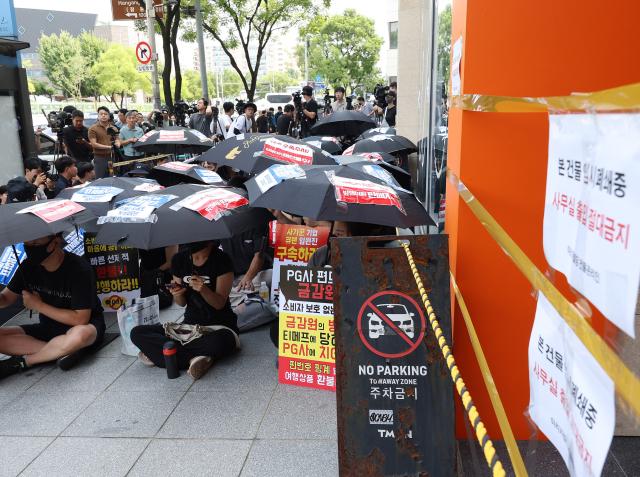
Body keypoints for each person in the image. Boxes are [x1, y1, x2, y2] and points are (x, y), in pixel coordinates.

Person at [0, 234, 106, 379]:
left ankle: (23, 362)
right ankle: (62, 351)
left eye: (35, 244)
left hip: (83, 326)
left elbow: (80, 319)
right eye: (27, 244)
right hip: (47, 327)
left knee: (81, 335)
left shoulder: (79, 269)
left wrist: (38, 305)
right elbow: (6, 299)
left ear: (55, 241)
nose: (30, 249)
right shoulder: (28, 266)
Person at [130, 241, 240, 380]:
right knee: (137, 333)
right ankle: (196, 358)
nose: (196, 252)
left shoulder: (222, 259)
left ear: (210, 242)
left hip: (218, 327)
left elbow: (219, 304)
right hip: (189, 327)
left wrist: (204, 290)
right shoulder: (179, 260)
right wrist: (177, 294)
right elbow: (181, 304)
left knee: (223, 342)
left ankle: (169, 355)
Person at [89, 106, 118, 179]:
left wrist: (118, 143)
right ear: (98, 116)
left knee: (112, 178)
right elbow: (94, 144)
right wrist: (109, 147)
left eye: (105, 114)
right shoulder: (93, 128)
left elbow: (117, 139)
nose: (103, 115)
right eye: (101, 114)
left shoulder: (113, 128)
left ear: (109, 116)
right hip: (100, 158)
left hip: (112, 157)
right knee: (100, 179)